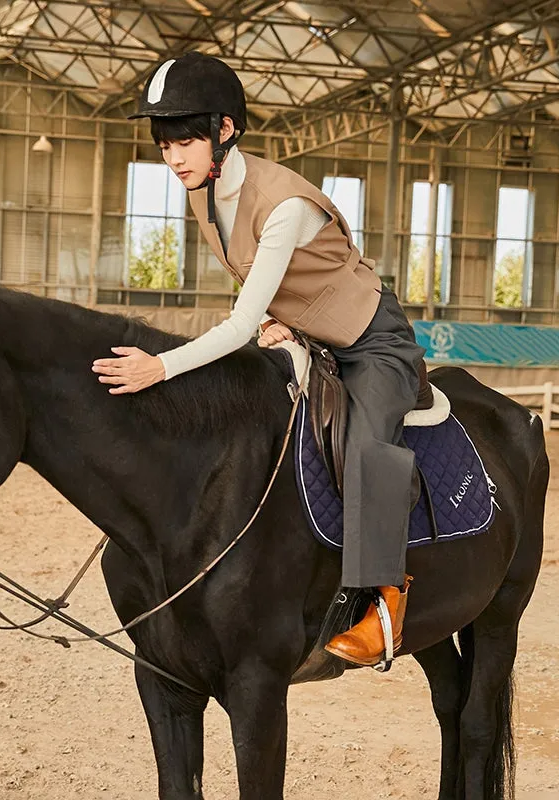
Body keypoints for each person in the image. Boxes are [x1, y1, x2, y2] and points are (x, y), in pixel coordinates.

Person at [91, 52, 425, 667]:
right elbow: (257, 295)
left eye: (185, 141)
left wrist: (158, 367)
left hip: (374, 341)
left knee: (366, 452)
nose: (173, 158)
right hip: (309, 337)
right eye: (164, 145)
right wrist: (285, 322)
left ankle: (386, 600)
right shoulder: (205, 192)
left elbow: (238, 322)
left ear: (224, 131)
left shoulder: (282, 205)